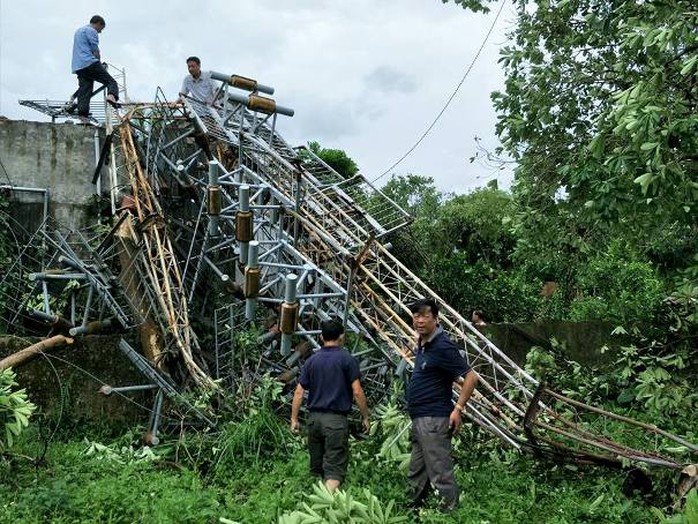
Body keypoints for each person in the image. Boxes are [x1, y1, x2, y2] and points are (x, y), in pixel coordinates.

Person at [406, 298, 478, 512]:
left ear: (435, 319)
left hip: (434, 419)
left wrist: (458, 409)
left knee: (440, 473)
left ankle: (449, 514)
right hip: (420, 420)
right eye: (416, 316)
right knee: (416, 472)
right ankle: (411, 512)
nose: (419, 321)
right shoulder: (423, 345)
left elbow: (471, 377)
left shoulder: (442, 345)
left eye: (424, 316)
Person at [290, 318, 370, 492]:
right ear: (341, 337)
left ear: (320, 337)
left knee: (318, 468)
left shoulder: (312, 361)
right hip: (335, 421)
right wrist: (365, 417)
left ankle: (318, 501)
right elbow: (357, 391)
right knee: (334, 472)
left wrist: (294, 419)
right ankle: (325, 511)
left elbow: (299, 392)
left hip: (314, 421)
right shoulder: (347, 360)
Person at [71, 15, 119, 124]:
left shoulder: (78, 31)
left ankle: (83, 117)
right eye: (101, 29)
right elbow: (95, 50)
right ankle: (111, 96)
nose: (100, 32)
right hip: (89, 62)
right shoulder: (91, 31)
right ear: (98, 23)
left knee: (85, 90)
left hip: (78, 66)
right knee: (110, 81)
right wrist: (99, 64)